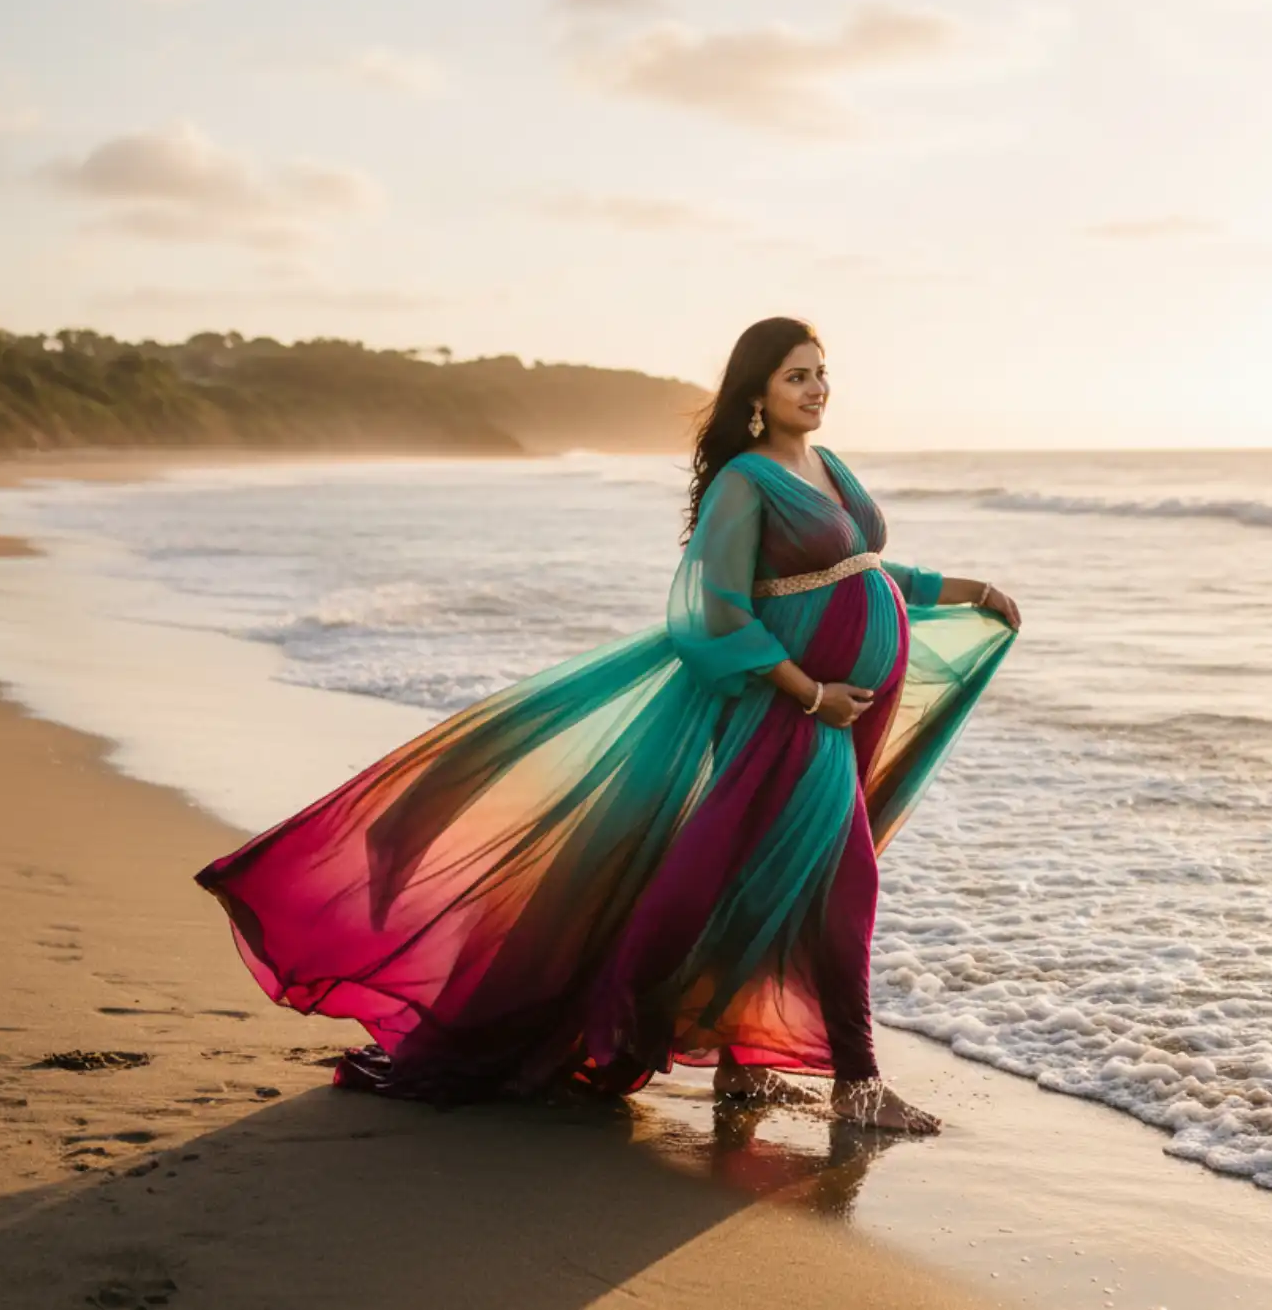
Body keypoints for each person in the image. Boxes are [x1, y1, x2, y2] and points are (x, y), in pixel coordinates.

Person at [195, 316, 1019, 1133]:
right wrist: (808, 692)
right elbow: (718, 611)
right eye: (797, 376)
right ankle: (853, 1080)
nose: (817, 388)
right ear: (757, 393)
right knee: (842, 881)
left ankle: (744, 1066)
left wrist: (966, 588)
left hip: (842, 714)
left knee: (774, 883)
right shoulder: (744, 479)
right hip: (790, 714)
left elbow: (865, 569)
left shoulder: (826, 464)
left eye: (821, 371)